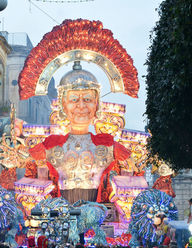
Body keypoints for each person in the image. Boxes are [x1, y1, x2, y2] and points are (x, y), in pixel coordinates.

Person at [27, 61, 131, 203]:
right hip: (61, 213)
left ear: (96, 104)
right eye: (74, 99)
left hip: (95, 213)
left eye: (87, 99)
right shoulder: (50, 146)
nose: (81, 106)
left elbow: (130, 175)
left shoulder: (110, 146)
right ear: (63, 104)